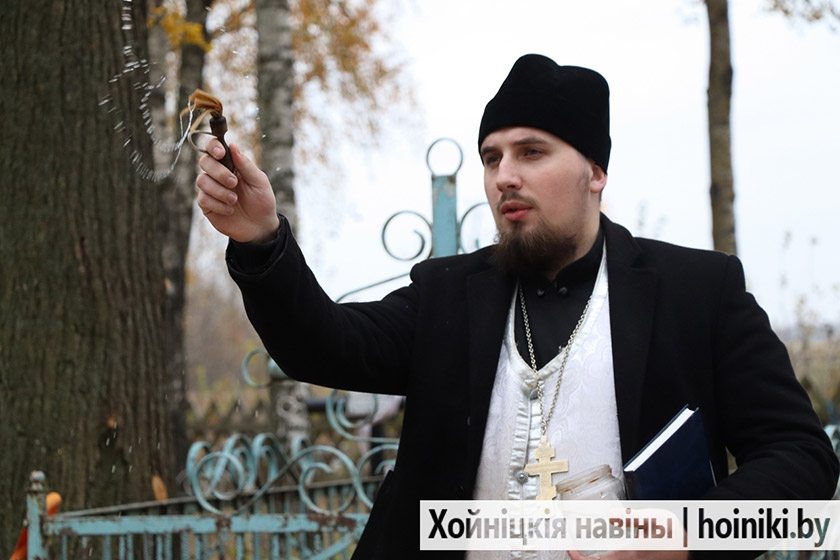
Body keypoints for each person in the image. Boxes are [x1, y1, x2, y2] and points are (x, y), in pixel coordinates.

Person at [195, 54, 839, 559]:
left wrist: (687, 535)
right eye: (492, 157)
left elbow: (802, 457)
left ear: (595, 171)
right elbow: (324, 344)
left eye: (532, 152)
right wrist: (262, 240)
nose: (505, 175)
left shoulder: (698, 291)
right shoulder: (448, 293)